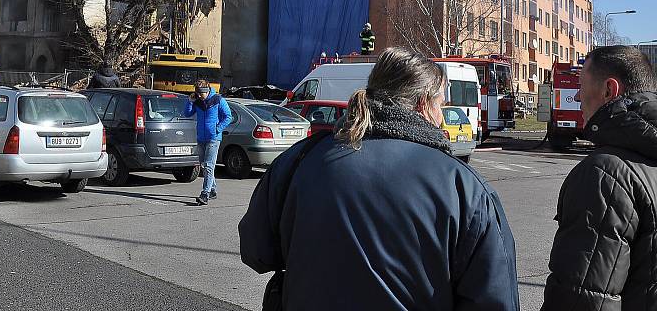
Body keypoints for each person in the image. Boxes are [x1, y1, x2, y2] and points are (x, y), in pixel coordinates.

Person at [239, 47, 519, 311]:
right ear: (423, 104)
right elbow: (493, 300)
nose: (441, 118)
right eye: (440, 105)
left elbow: (256, 251)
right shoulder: (463, 188)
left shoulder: (300, 160)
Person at [541, 46, 657, 310]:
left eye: (581, 86)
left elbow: (582, 299)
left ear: (609, 90)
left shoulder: (606, 174)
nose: (578, 96)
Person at [183, 79, 232, 206]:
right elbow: (187, 113)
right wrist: (190, 101)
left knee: (208, 166)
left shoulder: (218, 100)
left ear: (207, 90)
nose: (199, 96)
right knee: (204, 165)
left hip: (213, 138)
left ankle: (205, 194)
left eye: (201, 94)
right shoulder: (197, 101)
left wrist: (218, 128)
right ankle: (213, 190)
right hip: (201, 138)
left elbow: (228, 116)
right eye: (197, 93)